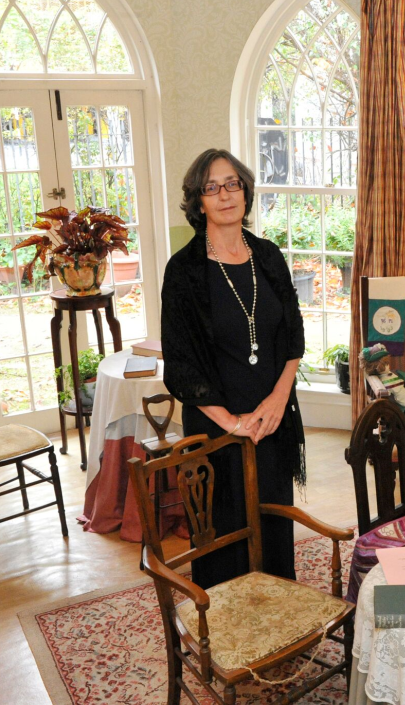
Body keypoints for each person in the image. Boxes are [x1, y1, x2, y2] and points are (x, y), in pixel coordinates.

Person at [161, 148, 306, 588]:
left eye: (232, 184)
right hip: (215, 430)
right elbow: (181, 364)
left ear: (244, 191)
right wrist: (232, 423)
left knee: (273, 524)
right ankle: (225, 631)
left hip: (272, 420)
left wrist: (278, 400)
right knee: (222, 536)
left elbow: (294, 335)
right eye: (211, 187)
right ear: (197, 201)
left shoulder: (269, 256)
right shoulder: (183, 271)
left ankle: (279, 620)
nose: (224, 195)